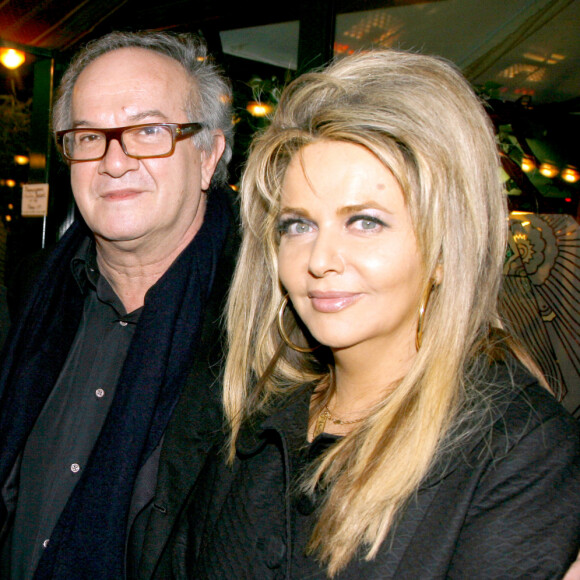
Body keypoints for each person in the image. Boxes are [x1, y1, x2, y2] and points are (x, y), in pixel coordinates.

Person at [175, 50, 580, 578]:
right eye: (297, 225)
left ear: (444, 249)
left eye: (365, 222)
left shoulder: (519, 449)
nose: (320, 260)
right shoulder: (259, 414)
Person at [0, 31, 236, 579]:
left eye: (148, 131)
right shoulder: (32, 292)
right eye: (89, 136)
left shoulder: (266, 323)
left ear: (209, 156)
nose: (114, 160)